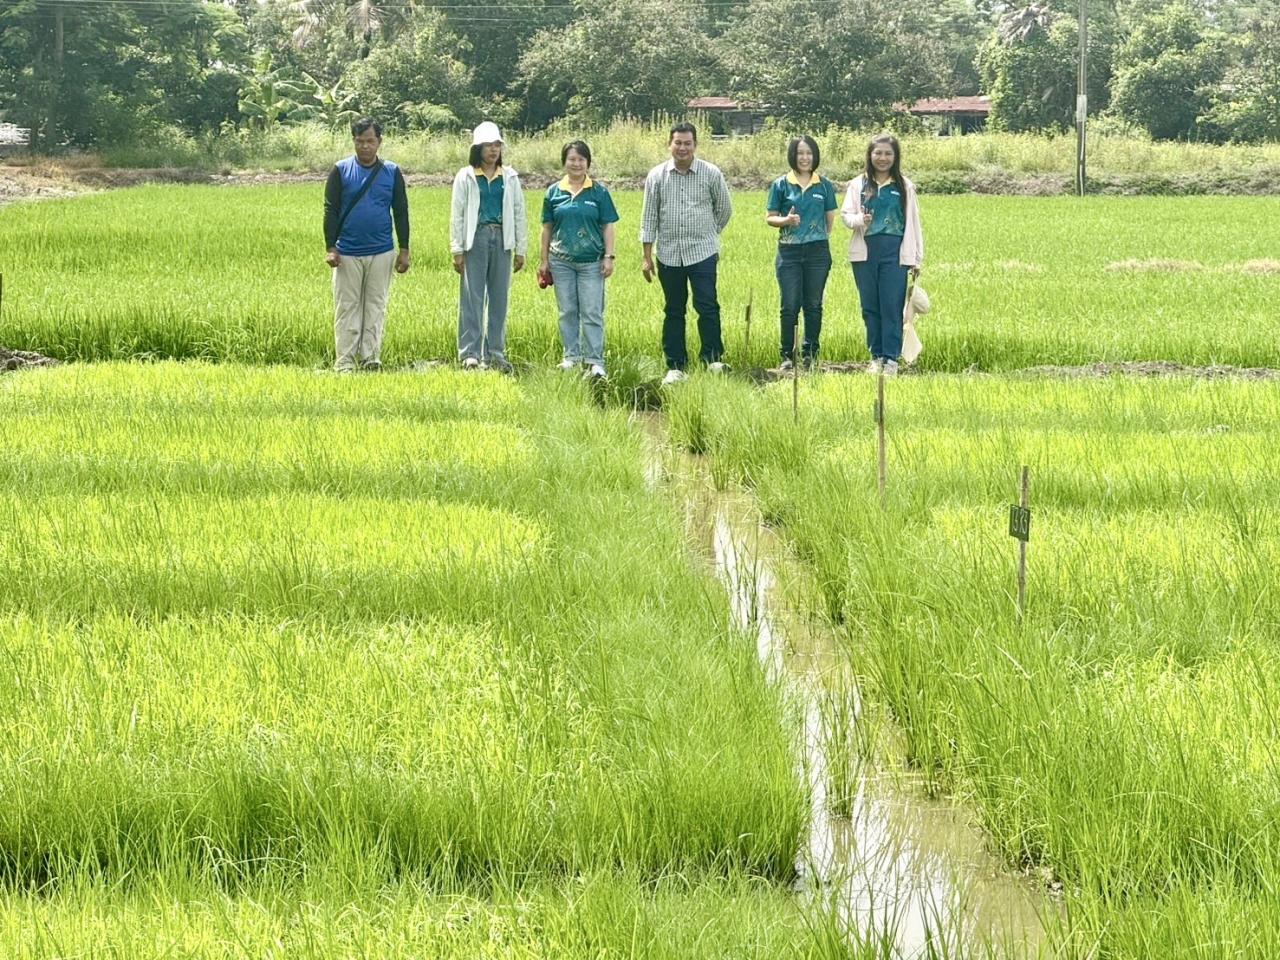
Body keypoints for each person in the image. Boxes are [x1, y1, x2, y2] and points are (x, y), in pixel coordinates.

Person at [639, 122, 732, 385]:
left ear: (695, 145)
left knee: (707, 305)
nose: (682, 148)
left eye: (687, 143)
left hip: (702, 251)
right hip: (668, 253)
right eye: (678, 143)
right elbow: (649, 218)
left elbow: (724, 209)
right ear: (670, 144)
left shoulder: (710, 173)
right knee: (674, 309)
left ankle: (712, 359)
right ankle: (676, 365)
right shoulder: (657, 176)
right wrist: (647, 257)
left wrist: (709, 234)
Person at [323, 117, 410, 372]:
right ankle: (345, 362)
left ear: (379, 142)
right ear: (353, 141)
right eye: (359, 141)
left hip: (382, 251)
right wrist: (330, 247)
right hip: (347, 252)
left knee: (375, 305)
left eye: (370, 141)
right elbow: (331, 210)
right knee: (347, 307)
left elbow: (401, 211)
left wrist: (404, 249)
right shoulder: (340, 170)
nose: (365, 147)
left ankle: (370, 358)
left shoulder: (391, 172)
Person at [841, 133, 923, 377]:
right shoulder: (858, 184)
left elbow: (914, 223)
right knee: (870, 307)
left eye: (888, 153)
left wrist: (916, 258)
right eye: (878, 153)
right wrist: (859, 220)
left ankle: (891, 359)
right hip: (865, 254)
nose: (882, 158)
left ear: (895, 157)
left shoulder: (904, 186)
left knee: (891, 306)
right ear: (870, 155)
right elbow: (846, 215)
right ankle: (876, 356)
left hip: (895, 254)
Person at [450, 121, 527, 373]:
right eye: (487, 146)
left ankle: (494, 353)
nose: (493, 150)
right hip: (477, 237)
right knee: (472, 297)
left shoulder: (510, 176)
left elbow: (518, 212)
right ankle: (470, 353)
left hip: (502, 237)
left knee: (499, 298)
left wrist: (521, 248)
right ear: (478, 148)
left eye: (496, 145)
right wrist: (457, 249)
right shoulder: (467, 176)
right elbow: (458, 214)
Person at [538, 139, 619, 380]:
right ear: (564, 162)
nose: (576, 164)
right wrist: (543, 261)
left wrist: (608, 257)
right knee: (567, 311)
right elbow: (546, 228)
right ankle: (571, 357)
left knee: (592, 312)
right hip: (560, 261)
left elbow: (608, 226)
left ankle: (595, 361)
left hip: (591, 262)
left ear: (588, 163)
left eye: (581, 159)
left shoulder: (599, 192)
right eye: (571, 159)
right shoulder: (553, 192)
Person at [765, 135, 838, 371]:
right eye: (800, 153)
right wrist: (786, 220)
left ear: (814, 156)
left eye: (809, 153)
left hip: (818, 252)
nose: (805, 158)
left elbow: (829, 222)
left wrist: (813, 236)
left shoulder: (824, 185)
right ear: (793, 156)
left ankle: (811, 354)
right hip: (789, 253)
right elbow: (770, 217)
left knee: (813, 304)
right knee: (789, 305)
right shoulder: (780, 184)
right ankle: (787, 355)